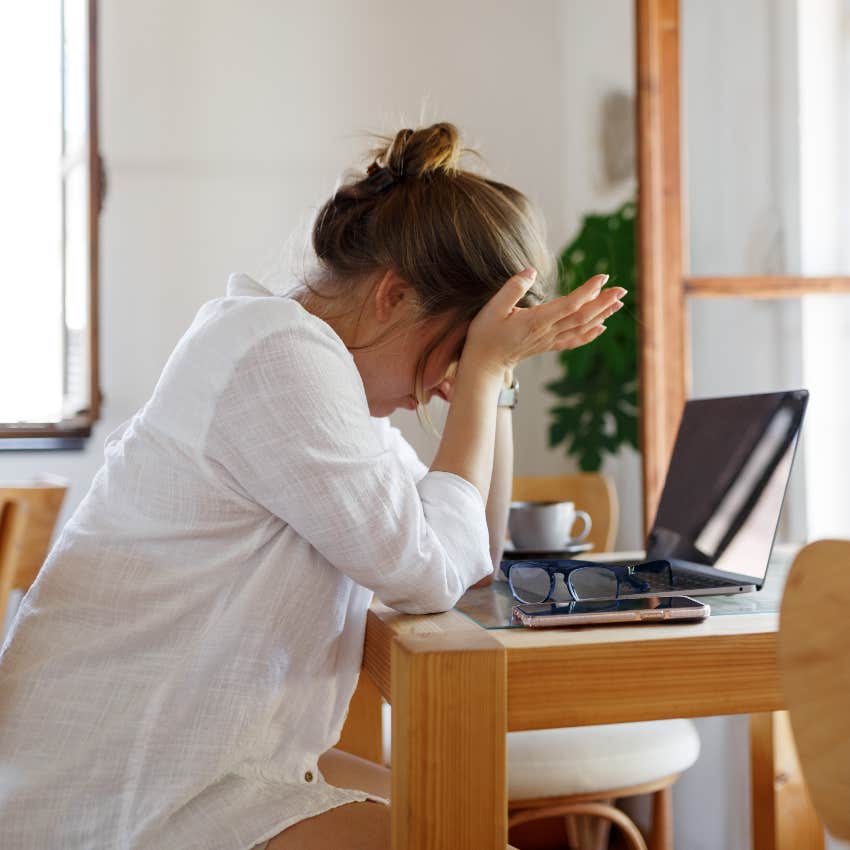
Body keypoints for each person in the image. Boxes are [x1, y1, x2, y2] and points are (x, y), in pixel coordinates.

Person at [0, 122, 625, 850]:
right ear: (393, 296)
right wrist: (483, 376)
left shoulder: (310, 372)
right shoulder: (278, 355)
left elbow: (466, 560)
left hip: (207, 759)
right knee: (466, 833)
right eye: (453, 350)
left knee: (472, 823)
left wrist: (499, 381)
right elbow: (426, 572)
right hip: (123, 785)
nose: (437, 388)